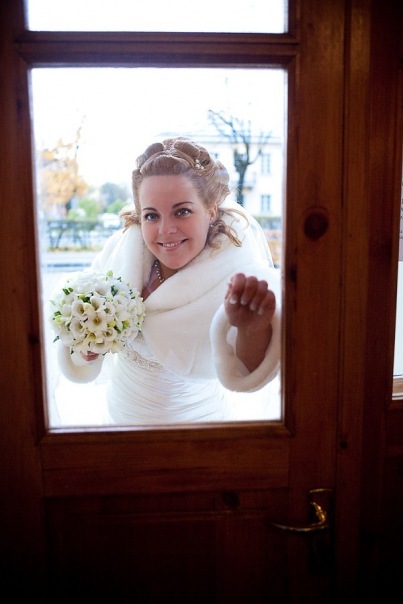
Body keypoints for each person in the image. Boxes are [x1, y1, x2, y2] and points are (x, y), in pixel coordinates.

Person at [56, 136, 281, 425]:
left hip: (197, 428)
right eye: (152, 216)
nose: (165, 230)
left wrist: (252, 330)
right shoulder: (119, 253)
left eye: (182, 211)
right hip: (117, 421)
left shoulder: (239, 277)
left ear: (211, 210)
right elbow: (81, 344)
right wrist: (86, 348)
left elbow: (247, 369)